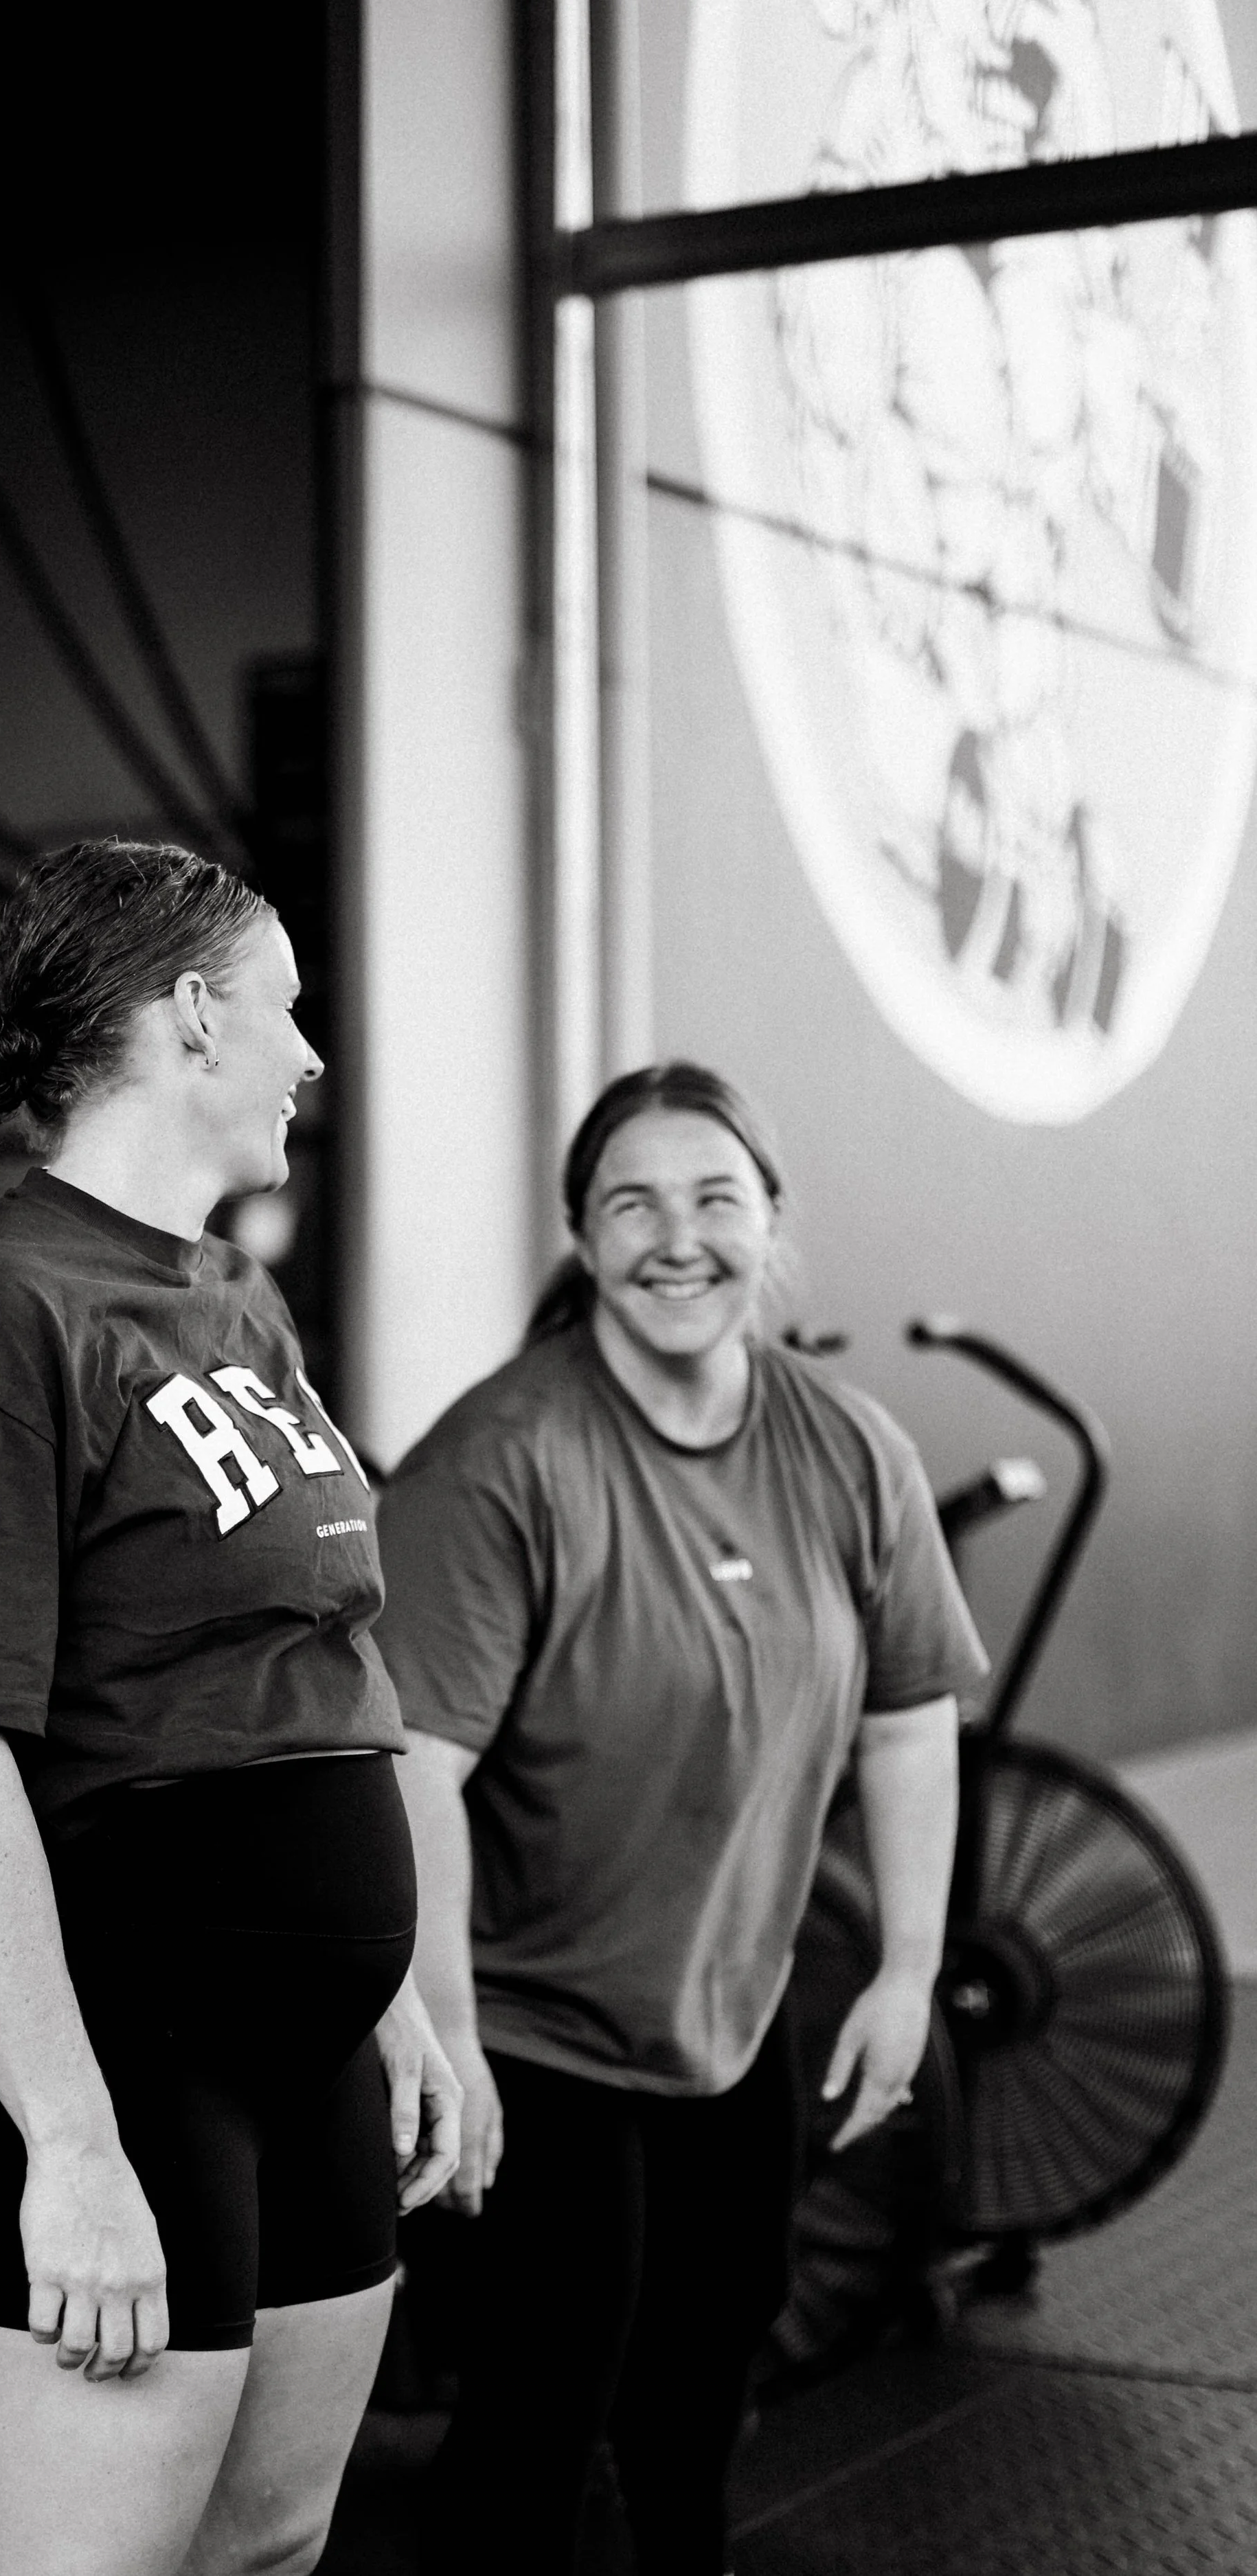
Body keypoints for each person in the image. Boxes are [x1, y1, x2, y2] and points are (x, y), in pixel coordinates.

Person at [0, 839, 460, 2576]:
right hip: (126, 2052)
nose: (311, 1057)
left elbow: (319, 1654)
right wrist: (68, 2144)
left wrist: (386, 1996)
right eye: (287, 1013)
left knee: (267, 2544)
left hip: (311, 2047)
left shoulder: (236, 1298)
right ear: (192, 1020)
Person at [376, 1061, 988, 2576]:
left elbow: (910, 1716)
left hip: (730, 2008)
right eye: (629, 1203)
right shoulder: (502, 1456)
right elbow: (409, 1771)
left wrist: (908, 1972)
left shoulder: (846, 1449)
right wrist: (443, 2038)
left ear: (769, 1226)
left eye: (715, 1200)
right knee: (541, 2404)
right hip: (529, 2022)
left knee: (706, 2382)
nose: (675, 1237)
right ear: (581, 1237)